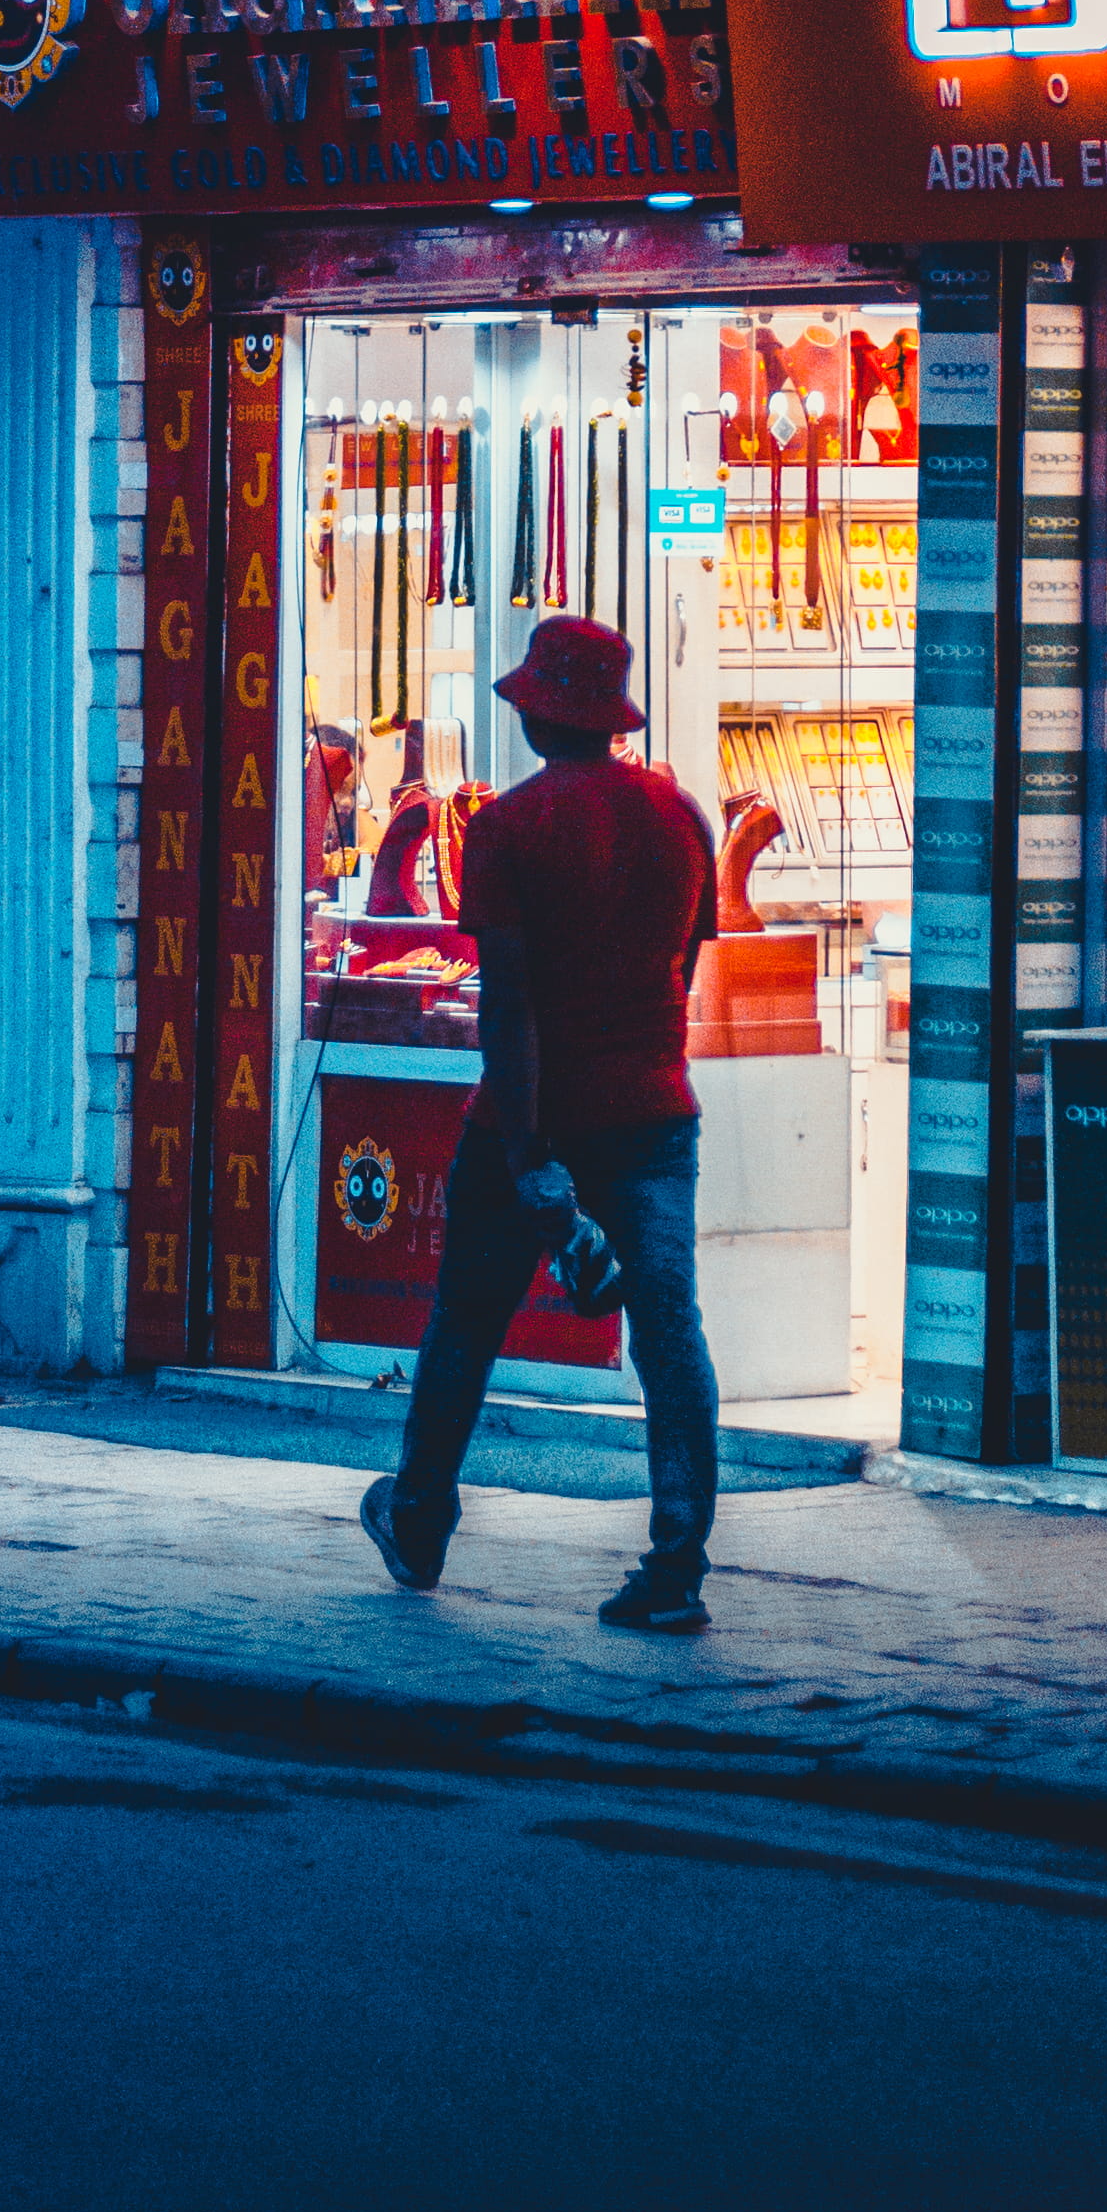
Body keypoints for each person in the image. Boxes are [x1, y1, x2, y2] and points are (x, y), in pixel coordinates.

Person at [358, 614, 720, 1632]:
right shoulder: (681, 816)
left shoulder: (511, 828)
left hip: (535, 1115)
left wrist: (527, 1158)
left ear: (535, 715)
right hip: (654, 1110)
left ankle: (420, 1515)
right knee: (670, 1332)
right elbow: (685, 968)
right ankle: (677, 1562)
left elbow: (509, 1006)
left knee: (466, 1321)